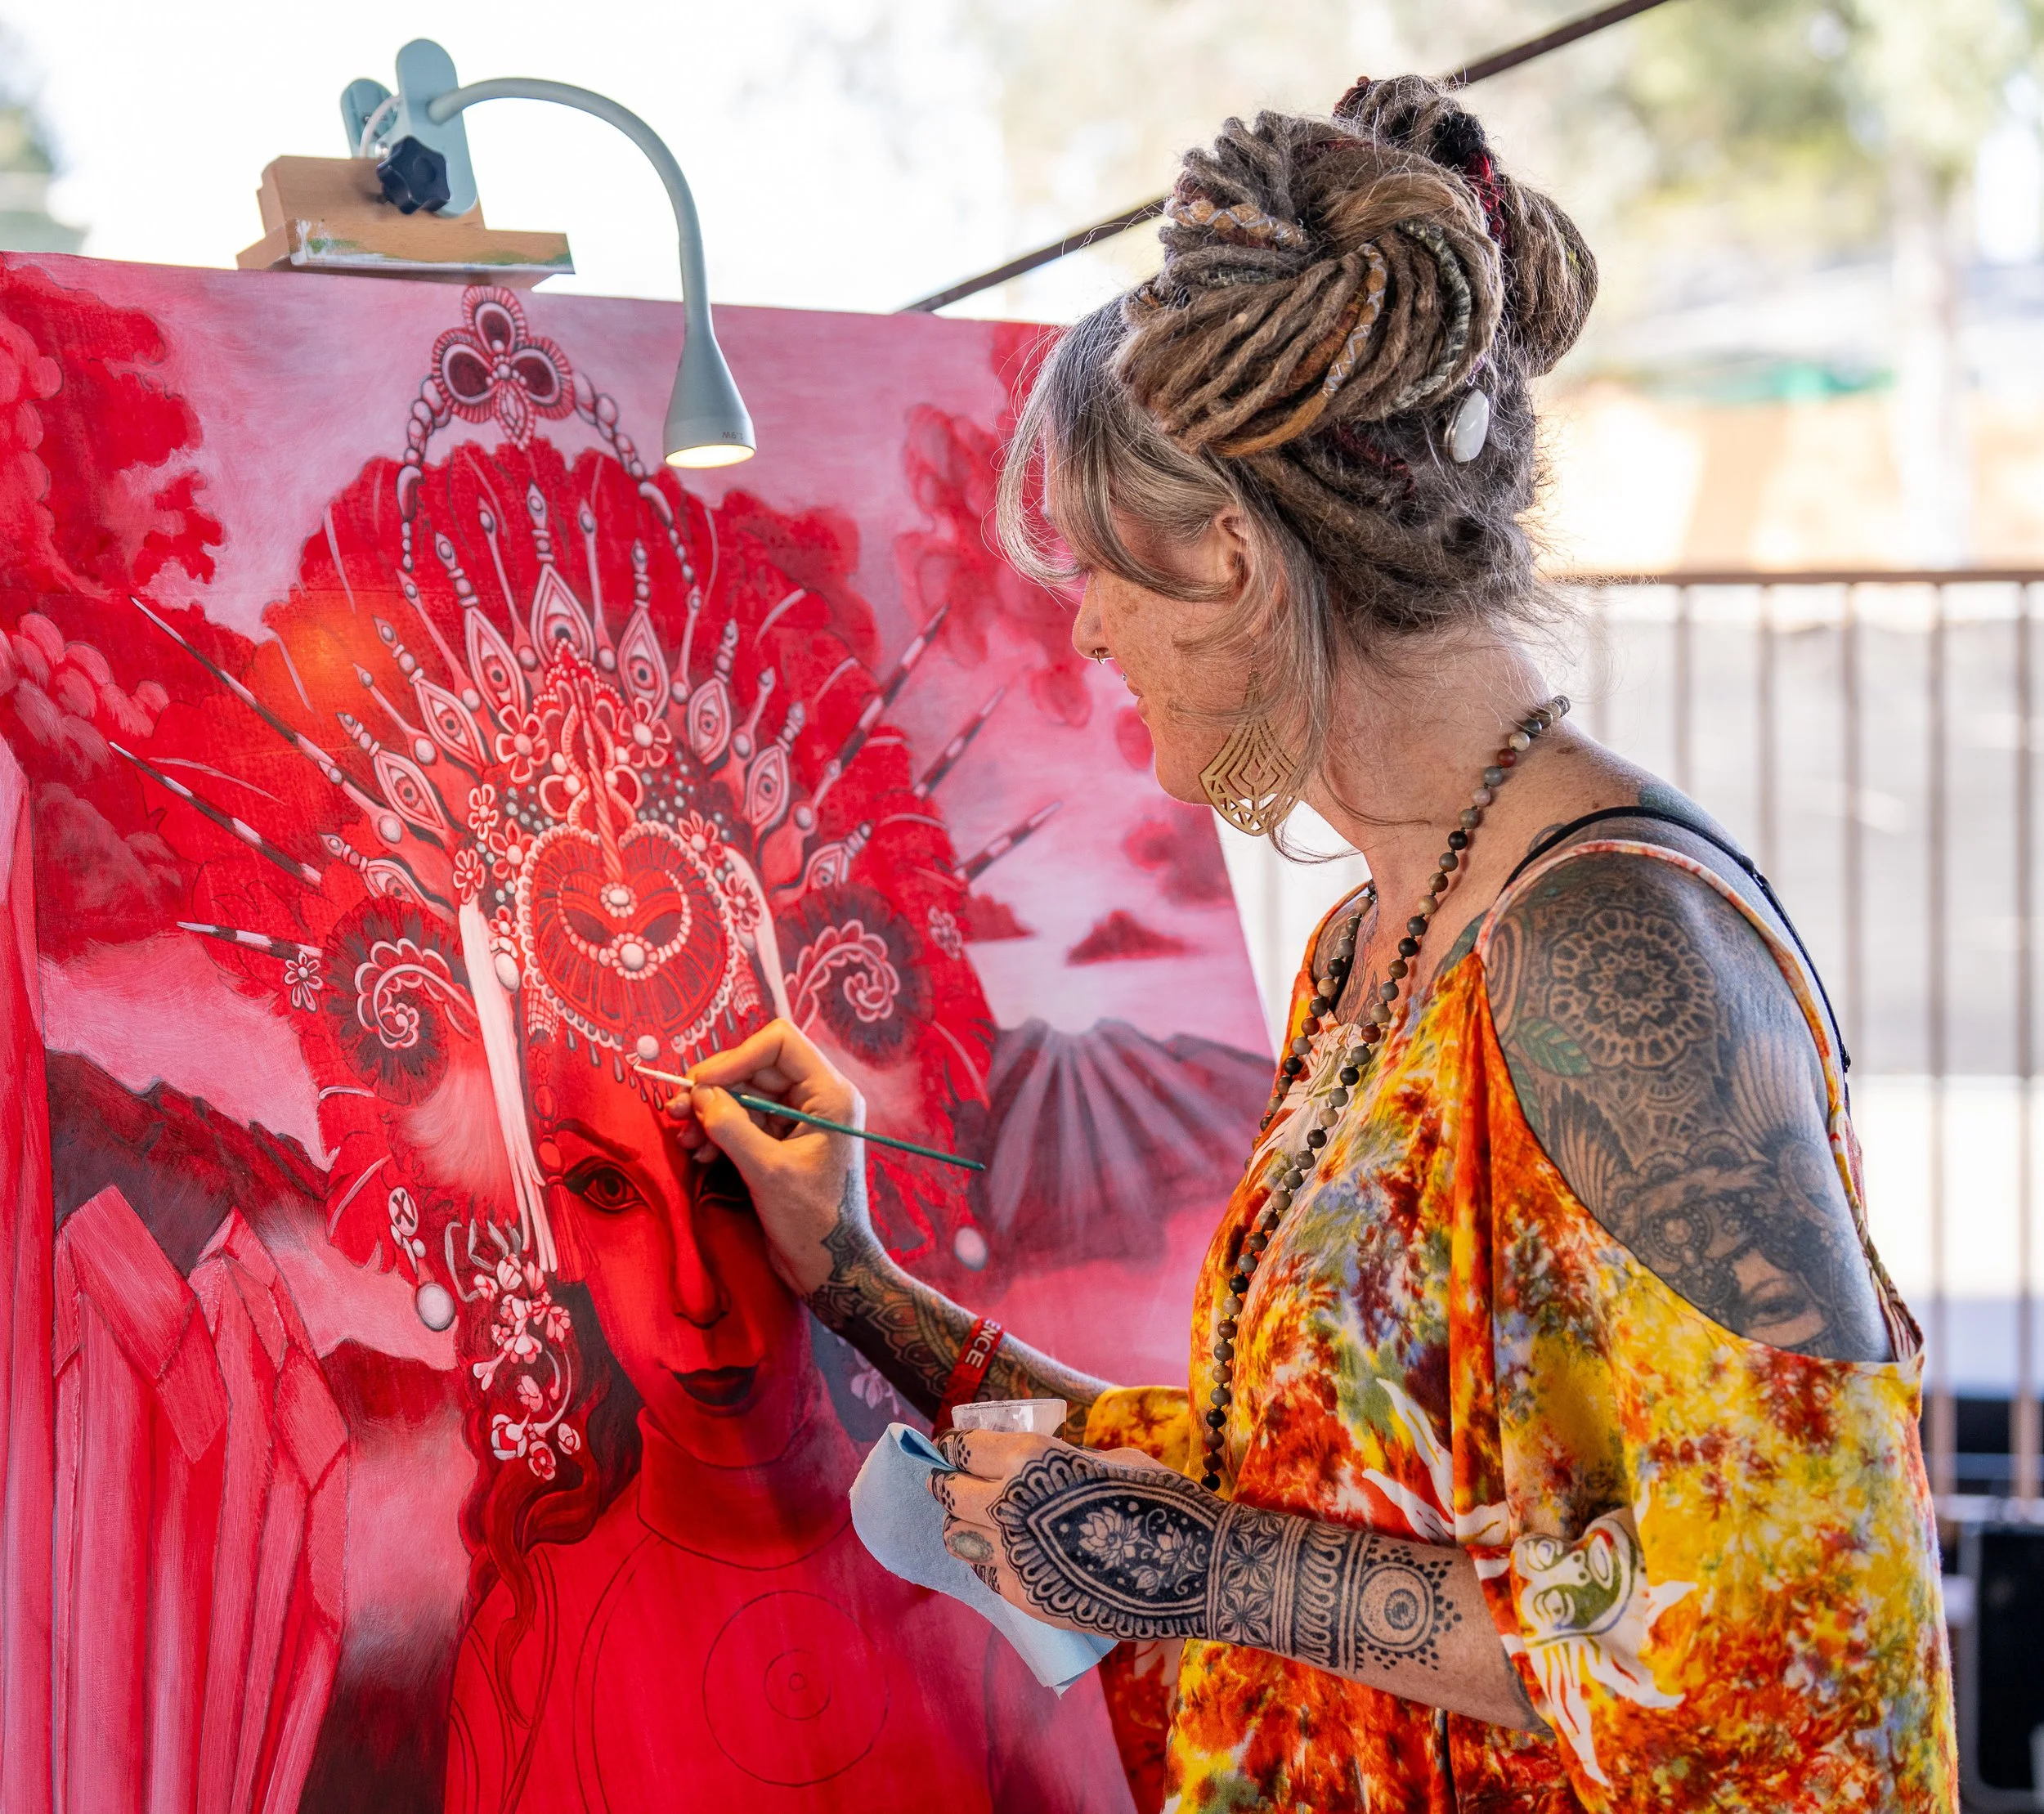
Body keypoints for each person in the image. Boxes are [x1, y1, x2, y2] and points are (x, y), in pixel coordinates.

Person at [671, 76, 1958, 1812]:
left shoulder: (1607, 952)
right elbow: (1274, 1492)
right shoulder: (1374, 937)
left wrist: (1191, 1565)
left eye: (1100, 567)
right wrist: (856, 1279)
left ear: (1230, 557)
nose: (1087, 625)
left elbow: (1780, 1645)